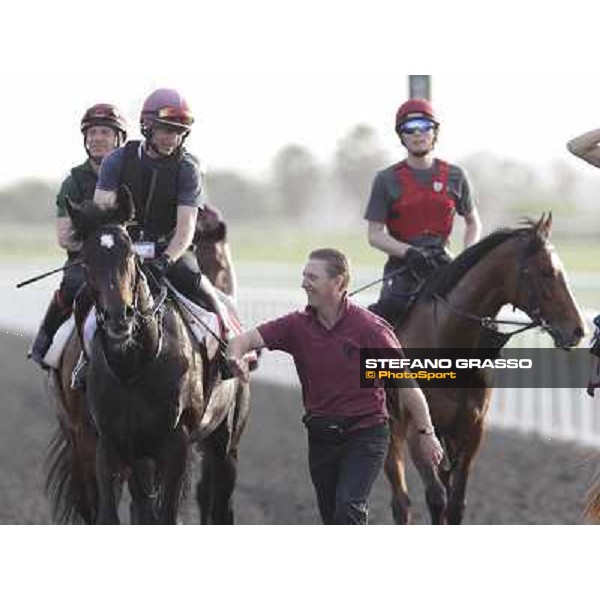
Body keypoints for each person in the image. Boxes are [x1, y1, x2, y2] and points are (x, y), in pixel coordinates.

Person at [226, 248, 444, 524]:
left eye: (312, 277)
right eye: (304, 275)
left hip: (365, 435)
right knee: (332, 518)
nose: (304, 282)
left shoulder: (370, 330)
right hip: (321, 436)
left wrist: (427, 432)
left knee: (348, 509)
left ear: (338, 283)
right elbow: (243, 341)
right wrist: (234, 357)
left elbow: (407, 385)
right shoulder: (295, 325)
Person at [76, 88, 232, 382]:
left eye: (178, 132)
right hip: (124, 251)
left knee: (210, 298)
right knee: (83, 297)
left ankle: (224, 357)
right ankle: (85, 362)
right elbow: (102, 212)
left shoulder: (187, 168)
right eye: (166, 130)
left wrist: (167, 260)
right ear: (147, 126)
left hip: (169, 252)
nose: (171, 138)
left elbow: (186, 228)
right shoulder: (116, 161)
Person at [364, 98, 482, 325]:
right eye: (410, 128)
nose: (418, 133)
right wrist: (409, 252)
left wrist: (467, 258)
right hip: (403, 267)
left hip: (443, 263)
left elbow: (473, 223)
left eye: (425, 126)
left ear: (434, 132)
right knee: (387, 315)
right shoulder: (385, 179)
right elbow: (375, 234)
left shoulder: (456, 176)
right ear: (402, 135)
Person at [28, 104, 127, 367]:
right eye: (92, 133)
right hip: (85, 260)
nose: (96, 138)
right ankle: (45, 338)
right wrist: (101, 246)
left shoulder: (132, 174)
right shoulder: (72, 183)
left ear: (118, 138)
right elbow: (65, 238)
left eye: (105, 132)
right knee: (72, 285)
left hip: (128, 257)